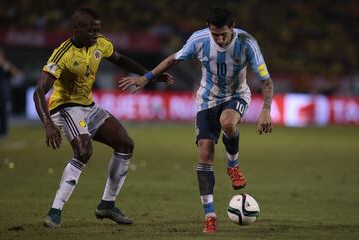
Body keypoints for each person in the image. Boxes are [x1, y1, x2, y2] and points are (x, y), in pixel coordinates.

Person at [119, 7, 274, 233]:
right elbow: (174, 59)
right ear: (209, 29)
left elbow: (267, 81)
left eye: (223, 34)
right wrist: (147, 77)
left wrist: (266, 110)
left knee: (228, 122)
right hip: (206, 99)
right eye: (215, 34)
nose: (219, 39)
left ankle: (233, 166)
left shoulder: (247, 42)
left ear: (232, 27)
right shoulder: (199, 40)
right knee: (205, 154)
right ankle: (209, 216)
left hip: (236, 94)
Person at [33, 8, 173, 228]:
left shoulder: (100, 43)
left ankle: (107, 205)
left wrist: (150, 75)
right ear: (76, 29)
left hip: (88, 106)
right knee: (84, 150)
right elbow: (39, 90)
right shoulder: (63, 54)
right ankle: (55, 211)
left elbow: (121, 59)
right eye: (90, 30)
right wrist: (48, 124)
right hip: (65, 107)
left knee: (125, 144)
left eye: (97, 30)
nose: (95, 34)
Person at [0, 48, 21, 140]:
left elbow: (17, 74)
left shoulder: (6, 65)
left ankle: (3, 133)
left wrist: (5, 66)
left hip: (4, 94)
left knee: (4, 113)